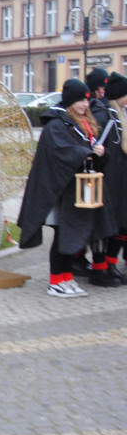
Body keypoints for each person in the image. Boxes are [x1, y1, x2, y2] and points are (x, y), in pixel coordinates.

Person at [17, 79, 116, 297]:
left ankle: (67, 278)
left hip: (78, 191)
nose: (84, 105)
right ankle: (56, 281)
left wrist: (98, 152)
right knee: (62, 236)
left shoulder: (82, 125)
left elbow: (85, 151)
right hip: (60, 193)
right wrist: (87, 152)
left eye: (86, 100)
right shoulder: (56, 125)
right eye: (80, 100)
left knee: (73, 236)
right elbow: (62, 153)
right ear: (70, 101)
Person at [87, 69, 126, 287]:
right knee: (105, 226)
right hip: (107, 181)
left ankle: (110, 265)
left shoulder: (119, 115)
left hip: (120, 181)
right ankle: (100, 268)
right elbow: (95, 148)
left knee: (120, 225)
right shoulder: (105, 117)